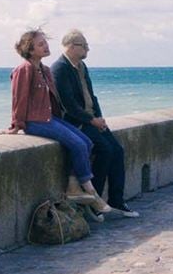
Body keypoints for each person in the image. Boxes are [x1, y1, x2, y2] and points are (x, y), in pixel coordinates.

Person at [1, 29, 112, 216]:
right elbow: (18, 99)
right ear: (30, 49)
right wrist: (16, 125)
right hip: (34, 121)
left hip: (50, 118)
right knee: (77, 144)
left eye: (45, 42)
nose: (46, 46)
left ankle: (73, 186)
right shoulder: (24, 69)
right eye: (40, 44)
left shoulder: (44, 70)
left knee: (86, 142)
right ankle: (92, 194)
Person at [51, 29, 140, 218]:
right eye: (84, 46)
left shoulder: (81, 66)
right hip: (77, 123)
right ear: (71, 46)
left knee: (117, 150)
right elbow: (68, 105)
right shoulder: (60, 68)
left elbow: (91, 97)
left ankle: (117, 200)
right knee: (104, 150)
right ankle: (94, 202)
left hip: (93, 120)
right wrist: (91, 120)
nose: (87, 50)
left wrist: (100, 118)